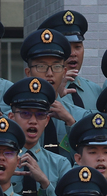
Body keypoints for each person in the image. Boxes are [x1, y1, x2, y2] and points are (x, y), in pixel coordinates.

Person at [19, 29, 87, 160]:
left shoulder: (80, 116)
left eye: (56, 67)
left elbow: (87, 164)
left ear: (64, 71)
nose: (49, 73)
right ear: (28, 72)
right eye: (41, 66)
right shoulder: (16, 116)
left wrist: (71, 123)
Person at [5, 77, 72, 196]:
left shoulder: (60, 164)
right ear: (11, 118)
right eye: (25, 113)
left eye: (40, 115)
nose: (33, 121)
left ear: (47, 120)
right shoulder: (0, 160)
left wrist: (45, 183)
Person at [38, 11, 101, 112]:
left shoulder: (95, 91)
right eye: (67, 47)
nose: (73, 53)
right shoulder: (39, 90)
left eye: (78, 47)